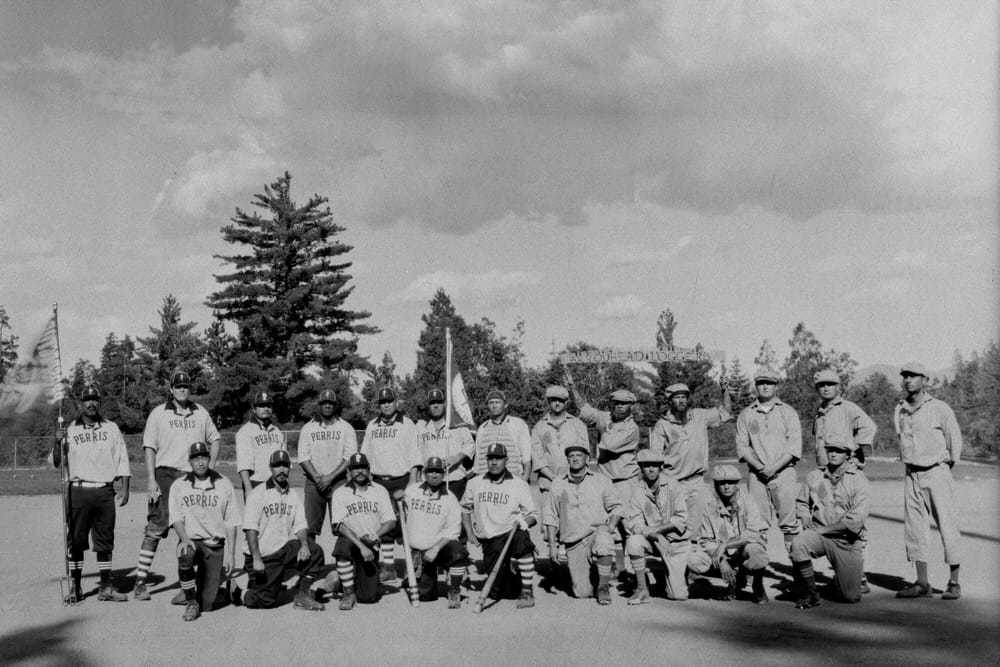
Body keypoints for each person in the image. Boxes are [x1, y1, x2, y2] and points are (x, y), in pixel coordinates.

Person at [132, 371, 221, 601]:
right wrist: (151, 480)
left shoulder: (200, 412)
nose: (182, 389)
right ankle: (140, 582)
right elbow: (149, 448)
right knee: (156, 527)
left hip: (192, 477)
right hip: (165, 474)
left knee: (191, 531)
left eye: (186, 386)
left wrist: (209, 466)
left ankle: (187, 586)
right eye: (178, 386)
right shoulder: (158, 413)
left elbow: (215, 438)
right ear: (170, 389)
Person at [53, 385, 131, 603]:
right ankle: (75, 587)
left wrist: (125, 487)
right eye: (87, 400)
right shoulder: (70, 429)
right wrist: (56, 442)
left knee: (105, 541)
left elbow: (122, 458)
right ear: (80, 404)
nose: (91, 403)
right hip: (78, 491)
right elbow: (57, 462)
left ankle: (105, 587)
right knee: (76, 542)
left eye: (95, 399)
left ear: (99, 402)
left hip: (104, 491)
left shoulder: (111, 428)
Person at [893, 362, 964, 600]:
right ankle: (922, 583)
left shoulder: (939, 408)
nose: (908, 380)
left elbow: (954, 440)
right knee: (914, 529)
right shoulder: (900, 409)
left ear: (925, 380)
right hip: (911, 473)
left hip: (936, 472)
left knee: (948, 524)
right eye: (905, 376)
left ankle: (954, 582)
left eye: (913, 376)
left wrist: (943, 465)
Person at [812, 368, 877, 593]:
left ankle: (860, 577)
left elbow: (869, 427)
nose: (826, 388)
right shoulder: (820, 413)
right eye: (822, 385)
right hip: (827, 474)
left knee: (853, 525)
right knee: (831, 520)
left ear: (839, 386)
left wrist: (854, 449)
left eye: (830, 384)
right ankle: (845, 574)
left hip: (846, 473)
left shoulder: (848, 408)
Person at [790, 435, 870, 608]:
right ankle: (811, 594)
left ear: (848, 455)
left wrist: (823, 530)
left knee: (851, 596)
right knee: (799, 543)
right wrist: (804, 519)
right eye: (830, 450)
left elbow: (855, 522)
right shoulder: (814, 476)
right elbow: (802, 502)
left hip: (846, 540)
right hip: (820, 535)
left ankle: (838, 583)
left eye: (839, 451)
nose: (833, 454)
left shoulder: (859, 479)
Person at [649, 382, 733, 543]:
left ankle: (695, 563)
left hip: (696, 481)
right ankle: (674, 563)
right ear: (670, 401)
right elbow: (655, 457)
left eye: (684, 397)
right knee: (674, 526)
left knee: (698, 524)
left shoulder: (699, 416)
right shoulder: (662, 425)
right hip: (673, 482)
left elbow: (725, 412)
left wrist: (725, 391)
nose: (681, 401)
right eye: (677, 397)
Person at [241, 449, 325, 610]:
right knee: (266, 600)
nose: (281, 470)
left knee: (315, 551)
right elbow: (250, 530)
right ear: (270, 468)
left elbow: (300, 524)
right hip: (262, 556)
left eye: (284, 466)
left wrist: (305, 545)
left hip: (282, 550)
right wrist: (257, 558)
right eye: (277, 466)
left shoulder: (292, 495)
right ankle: (238, 592)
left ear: (289, 468)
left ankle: (302, 595)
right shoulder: (257, 494)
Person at [541, 442, 623, 604]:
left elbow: (617, 506)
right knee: (582, 593)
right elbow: (550, 515)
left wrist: (611, 526)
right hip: (573, 540)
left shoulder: (601, 480)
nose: (575, 459)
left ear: (587, 457)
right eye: (571, 456)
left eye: (579, 455)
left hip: (596, 533)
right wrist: (552, 545)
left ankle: (603, 586)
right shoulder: (558, 482)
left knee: (604, 540)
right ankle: (594, 572)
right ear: (567, 460)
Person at [168, 442, 241, 621]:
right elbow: (176, 518)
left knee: (207, 605)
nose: (200, 462)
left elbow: (231, 521)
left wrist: (231, 554)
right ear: (189, 461)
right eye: (195, 458)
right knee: (186, 553)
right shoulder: (179, 485)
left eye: (203, 457)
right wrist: (184, 538)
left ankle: (192, 590)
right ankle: (191, 601)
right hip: (192, 541)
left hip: (214, 544)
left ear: (209, 459)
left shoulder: (223, 483)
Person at [461, 444, 539, 609]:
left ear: (506, 461)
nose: (494, 462)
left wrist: (525, 522)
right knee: (501, 592)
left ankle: (527, 590)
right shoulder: (474, 483)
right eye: (490, 458)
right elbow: (464, 509)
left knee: (522, 539)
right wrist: (469, 533)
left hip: (510, 533)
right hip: (490, 541)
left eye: (498, 458)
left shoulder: (519, 484)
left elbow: (533, 514)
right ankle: (511, 572)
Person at [735, 370, 803, 553]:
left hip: (784, 472)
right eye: (761, 383)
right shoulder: (746, 414)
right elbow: (742, 447)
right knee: (757, 524)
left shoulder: (787, 411)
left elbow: (794, 446)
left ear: (775, 386)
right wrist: (760, 467)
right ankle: (757, 575)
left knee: (789, 523)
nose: (765, 386)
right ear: (756, 386)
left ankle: (799, 574)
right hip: (757, 475)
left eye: (769, 383)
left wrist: (773, 468)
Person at [361, 386, 422, 582]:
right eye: (382, 402)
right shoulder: (372, 425)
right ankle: (388, 567)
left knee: (408, 523)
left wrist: (412, 482)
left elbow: (415, 456)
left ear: (396, 403)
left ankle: (412, 566)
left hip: (402, 479)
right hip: (379, 480)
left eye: (389, 401)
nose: (386, 405)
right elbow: (366, 456)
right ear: (378, 405)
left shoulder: (407, 424)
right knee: (384, 523)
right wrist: (368, 480)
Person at [687, 464, 769, 603]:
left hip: (742, 550)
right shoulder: (709, 506)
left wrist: (725, 545)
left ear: (737, 483)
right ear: (715, 484)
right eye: (722, 483)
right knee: (693, 559)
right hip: (723, 555)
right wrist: (723, 560)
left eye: (730, 482)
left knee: (755, 549)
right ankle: (735, 580)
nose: (726, 486)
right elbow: (706, 540)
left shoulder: (748, 501)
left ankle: (757, 585)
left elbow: (752, 534)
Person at [328, 453, 397, 610]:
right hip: (352, 541)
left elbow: (391, 521)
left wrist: (374, 536)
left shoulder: (380, 491)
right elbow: (339, 525)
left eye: (363, 468)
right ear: (349, 472)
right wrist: (361, 546)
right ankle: (348, 592)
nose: (359, 471)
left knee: (367, 597)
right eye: (355, 468)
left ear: (369, 470)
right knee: (342, 548)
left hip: (372, 542)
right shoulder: (340, 493)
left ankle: (340, 578)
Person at [402, 456, 470, 608]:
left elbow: (454, 530)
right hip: (419, 553)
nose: (434, 475)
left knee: (458, 552)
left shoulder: (450, 498)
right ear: (424, 473)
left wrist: (436, 548)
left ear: (443, 474)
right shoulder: (412, 491)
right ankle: (416, 572)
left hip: (438, 548)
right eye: (430, 471)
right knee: (426, 596)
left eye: (438, 472)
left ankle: (454, 590)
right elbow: (401, 511)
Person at [623, 449, 690, 604]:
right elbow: (636, 524)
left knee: (677, 595)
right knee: (633, 541)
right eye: (647, 465)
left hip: (676, 543)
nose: (651, 469)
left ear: (661, 467)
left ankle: (667, 569)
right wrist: (656, 535)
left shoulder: (674, 486)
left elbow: (681, 518)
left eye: (655, 465)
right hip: (654, 542)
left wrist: (657, 530)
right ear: (641, 468)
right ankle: (642, 589)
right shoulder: (637, 490)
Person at [564, 370, 640, 493]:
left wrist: (605, 426)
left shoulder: (631, 428)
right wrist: (573, 388)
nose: (619, 406)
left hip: (625, 482)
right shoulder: (605, 417)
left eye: (624, 403)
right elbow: (583, 408)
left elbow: (610, 444)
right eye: (616, 403)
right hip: (605, 479)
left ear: (631, 406)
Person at [298, 389, 357, 542]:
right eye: (324, 403)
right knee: (309, 527)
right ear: (319, 405)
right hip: (313, 482)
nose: (327, 406)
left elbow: (350, 457)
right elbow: (303, 457)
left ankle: (343, 564)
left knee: (343, 525)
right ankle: (311, 564)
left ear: (335, 405)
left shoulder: (346, 428)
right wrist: (318, 478)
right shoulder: (308, 428)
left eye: (330, 403)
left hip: (339, 481)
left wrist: (330, 477)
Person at [416, 388, 475, 500]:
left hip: (453, 479)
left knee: (455, 516)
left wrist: (456, 458)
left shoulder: (457, 424)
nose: (436, 406)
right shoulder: (421, 427)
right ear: (428, 406)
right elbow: (417, 454)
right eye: (432, 403)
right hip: (429, 481)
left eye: (439, 402)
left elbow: (470, 444)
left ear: (445, 404)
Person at [532, 385, 590, 496]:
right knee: (549, 513)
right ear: (548, 401)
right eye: (554, 400)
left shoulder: (577, 424)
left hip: (574, 484)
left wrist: (574, 478)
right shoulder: (539, 427)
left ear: (566, 402)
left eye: (561, 400)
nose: (557, 403)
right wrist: (554, 479)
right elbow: (538, 459)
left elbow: (584, 454)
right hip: (548, 484)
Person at [470, 389, 532, 482]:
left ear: (505, 404)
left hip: (512, 479)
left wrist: (525, 478)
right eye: (491, 403)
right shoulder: (482, 428)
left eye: (497, 402)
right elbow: (478, 459)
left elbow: (526, 456)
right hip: (486, 480)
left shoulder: (518, 424)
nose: (494, 405)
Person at [235, 391, 286, 499]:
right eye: (262, 406)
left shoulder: (277, 431)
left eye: (268, 405)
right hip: (255, 483)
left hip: (276, 483)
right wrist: (248, 489)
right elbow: (243, 464)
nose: (266, 409)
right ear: (254, 409)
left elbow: (284, 462)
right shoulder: (245, 431)